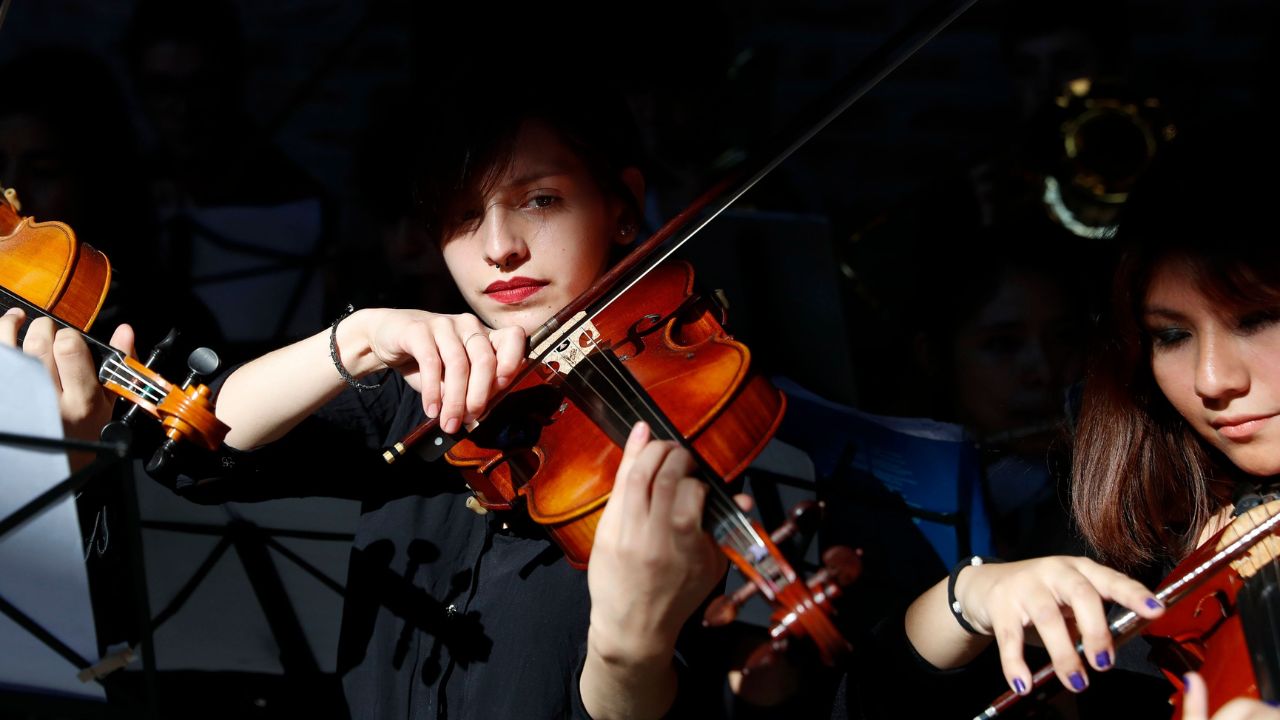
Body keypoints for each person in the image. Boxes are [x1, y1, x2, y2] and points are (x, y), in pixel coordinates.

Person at [885, 121, 1280, 718]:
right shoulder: (1148, 531)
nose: (1211, 378)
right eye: (1170, 334)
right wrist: (965, 599)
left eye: (1256, 319)